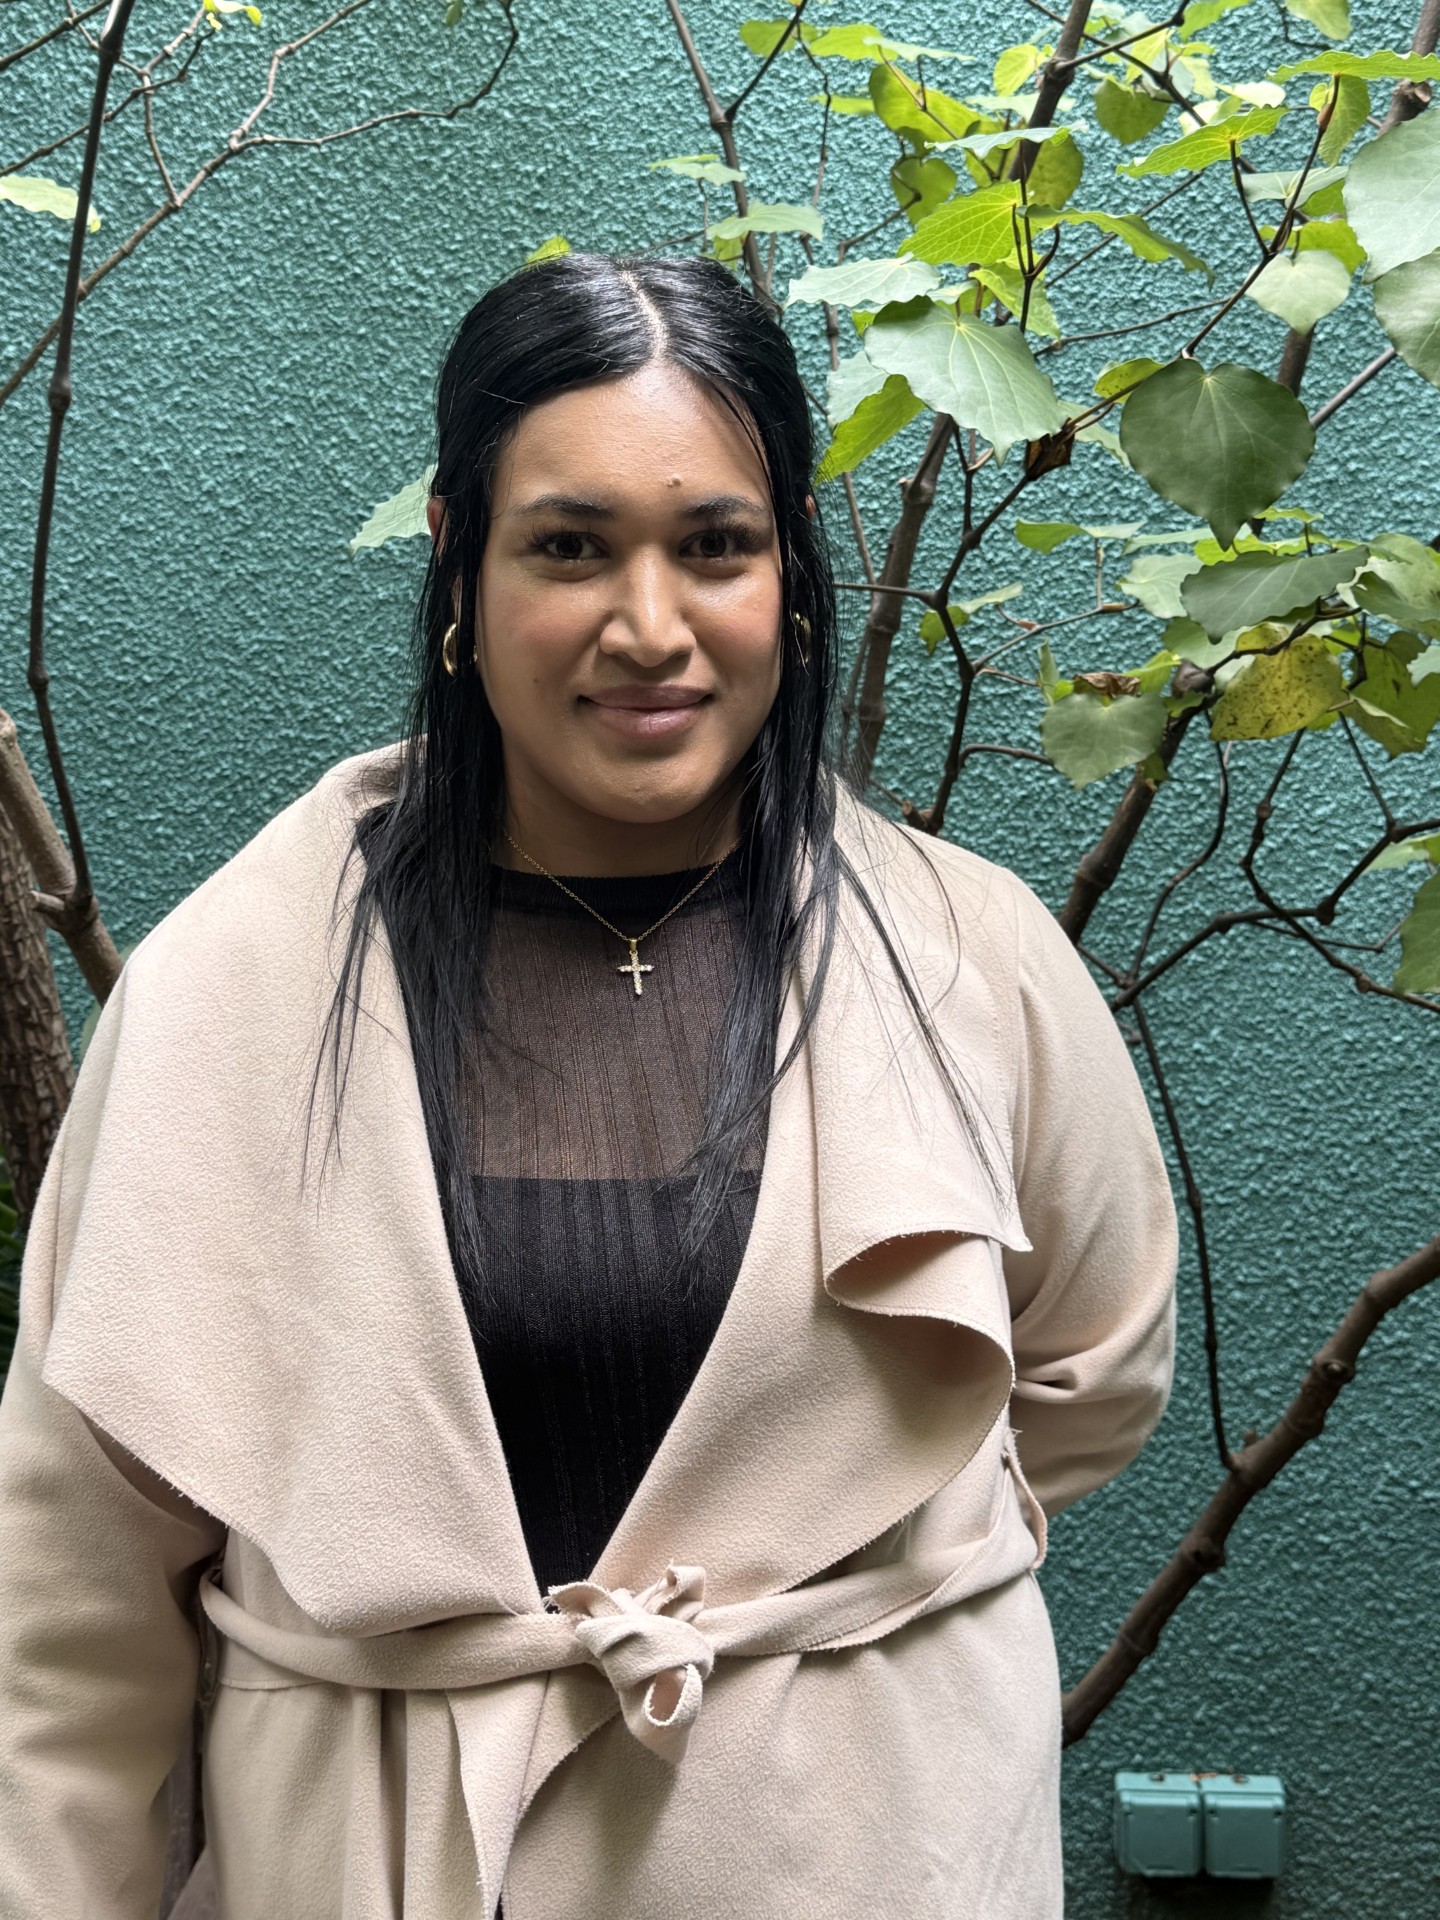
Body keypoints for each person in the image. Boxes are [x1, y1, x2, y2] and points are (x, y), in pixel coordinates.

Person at [0, 251, 1178, 1920]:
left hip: (870, 1854)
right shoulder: (231, 991)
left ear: (792, 571)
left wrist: (816, 1612)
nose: (651, 627)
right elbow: (75, 1601)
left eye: (716, 546)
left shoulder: (968, 963)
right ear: (459, 564)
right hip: (379, 1857)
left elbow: (1090, 1371)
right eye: (569, 547)